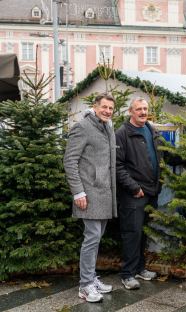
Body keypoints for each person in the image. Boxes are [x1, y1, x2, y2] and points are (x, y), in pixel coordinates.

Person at [64, 93, 117, 302]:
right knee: (92, 238)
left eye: (111, 108)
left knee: (96, 239)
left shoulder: (108, 127)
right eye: (104, 107)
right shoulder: (83, 127)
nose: (107, 111)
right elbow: (70, 161)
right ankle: (85, 286)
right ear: (95, 107)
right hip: (88, 193)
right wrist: (78, 191)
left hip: (104, 193)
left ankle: (91, 278)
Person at [115, 97, 160, 290]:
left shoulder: (151, 129)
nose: (143, 112)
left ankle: (140, 268)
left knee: (143, 232)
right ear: (131, 112)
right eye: (139, 109)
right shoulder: (123, 133)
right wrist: (134, 187)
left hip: (151, 191)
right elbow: (117, 165)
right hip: (134, 193)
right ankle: (127, 274)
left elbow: (165, 152)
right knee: (131, 233)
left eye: (145, 108)